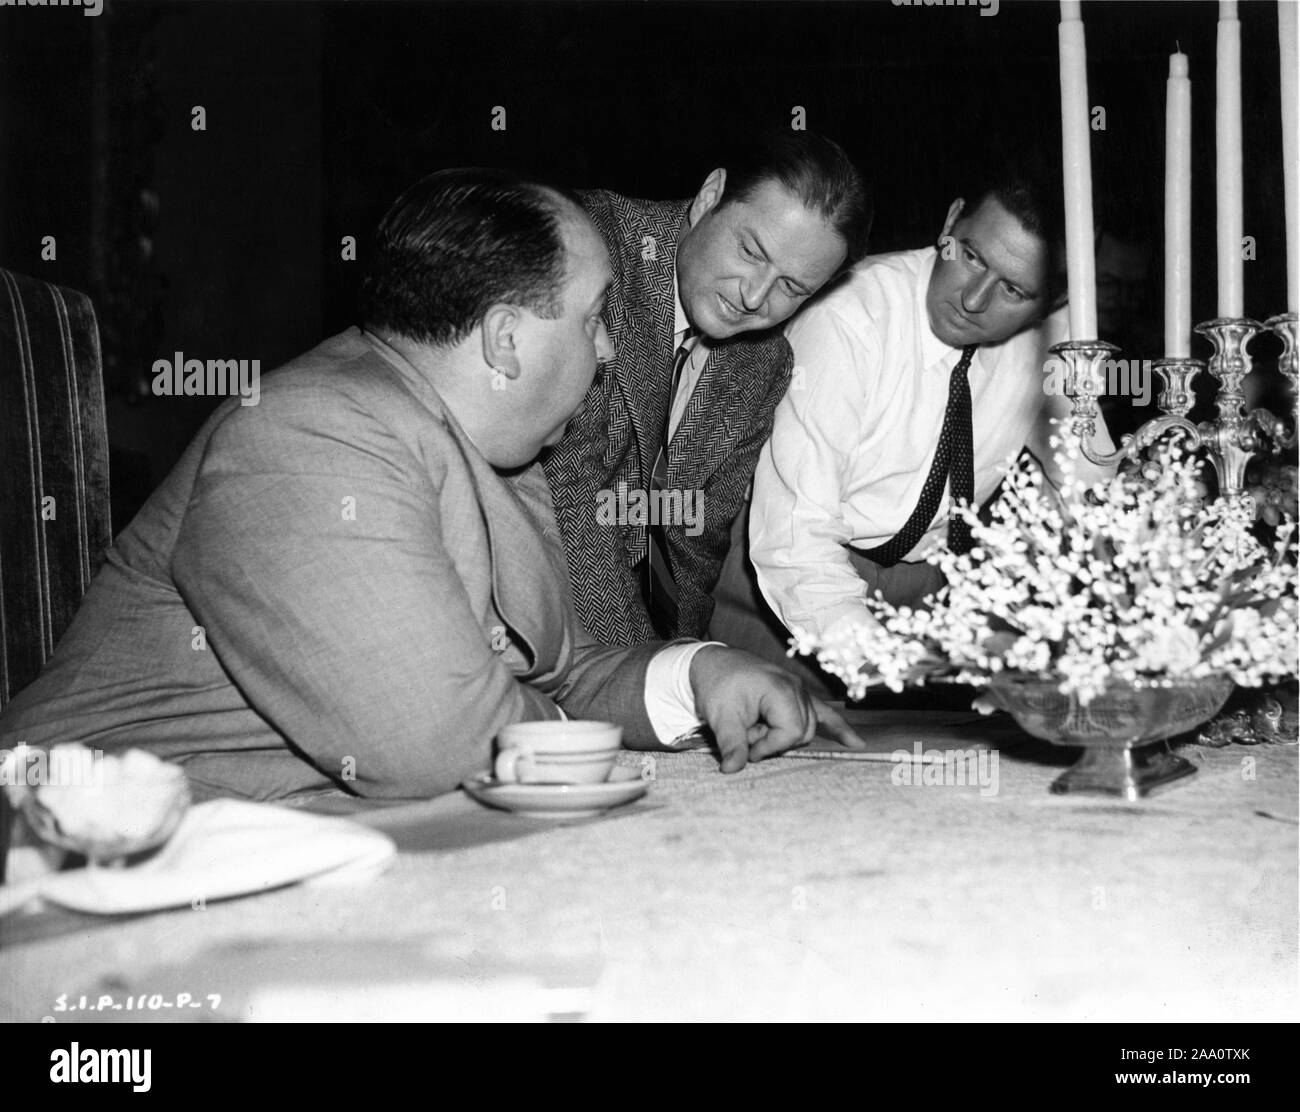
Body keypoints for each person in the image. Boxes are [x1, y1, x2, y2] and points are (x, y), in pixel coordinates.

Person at [0, 169, 853, 803]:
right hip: (92, 869)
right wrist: (573, 734)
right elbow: (433, 740)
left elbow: (560, 666)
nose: (603, 352)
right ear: (506, 340)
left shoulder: (494, 451)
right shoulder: (312, 430)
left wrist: (698, 675)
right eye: (594, 319)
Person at [711, 159, 1117, 688]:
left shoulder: (1053, 345)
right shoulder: (848, 320)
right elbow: (795, 535)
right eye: (970, 256)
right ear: (950, 223)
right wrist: (883, 665)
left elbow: (1090, 493)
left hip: (926, 593)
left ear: (1055, 303)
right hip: (784, 596)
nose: (973, 300)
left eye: (1013, 291)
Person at [543, 131, 871, 646]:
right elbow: (571, 498)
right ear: (709, 196)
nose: (753, 296)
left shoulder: (764, 364)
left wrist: (688, 663)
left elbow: (691, 542)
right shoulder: (587, 253)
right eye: (750, 250)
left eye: (792, 287)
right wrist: (653, 682)